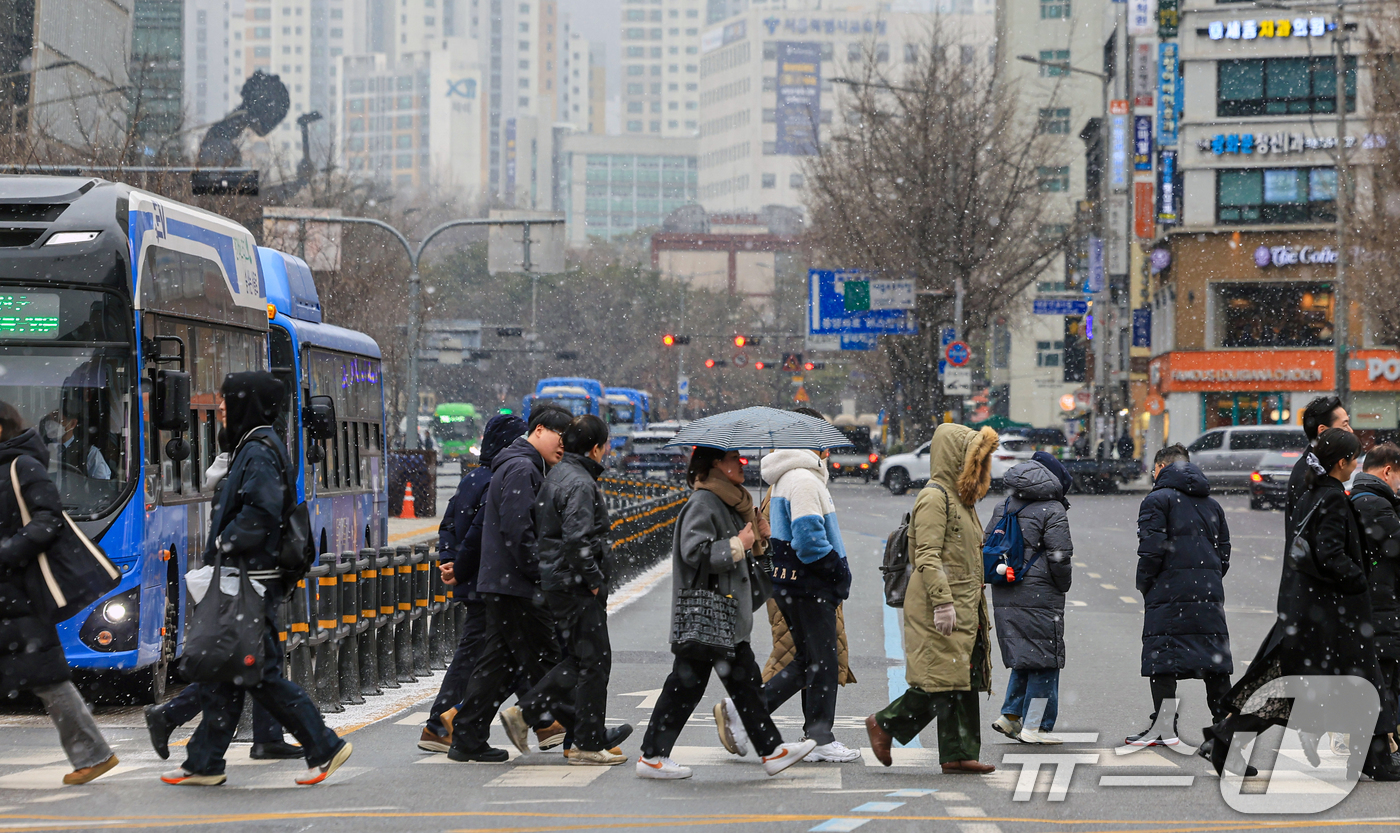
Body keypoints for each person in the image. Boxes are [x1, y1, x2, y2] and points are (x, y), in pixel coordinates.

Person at [162, 372, 352, 787]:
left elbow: (261, 512)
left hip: (251, 581)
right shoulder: (255, 445)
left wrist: (226, 543)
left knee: (258, 672)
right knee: (229, 673)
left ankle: (324, 745)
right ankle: (205, 761)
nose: (222, 408)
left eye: (229, 400)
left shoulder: (259, 450)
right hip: (248, 579)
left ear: (248, 404)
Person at [1203, 428, 1397, 780]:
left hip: (1309, 609)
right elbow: (1330, 554)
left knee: (1294, 686)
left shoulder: (1313, 492)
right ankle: (1225, 738)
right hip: (1330, 614)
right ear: (1341, 462)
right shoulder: (1333, 498)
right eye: (1353, 459)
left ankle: (1225, 738)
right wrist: (1358, 580)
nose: (1356, 465)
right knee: (1325, 685)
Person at [637, 446, 817, 780]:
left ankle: (771, 751)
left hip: (726, 618)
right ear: (716, 464)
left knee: (742, 685)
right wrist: (739, 544)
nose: (741, 463)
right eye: (734, 457)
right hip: (708, 616)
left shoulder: (733, 503)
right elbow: (695, 553)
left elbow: (751, 573)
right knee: (687, 685)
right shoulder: (703, 503)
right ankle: (652, 755)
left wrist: (764, 543)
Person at [146, 403, 301, 761]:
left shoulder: (238, 467)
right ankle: (296, 740)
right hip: (243, 582)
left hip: (245, 580)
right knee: (250, 663)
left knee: (250, 662)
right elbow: (247, 524)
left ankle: (251, 739)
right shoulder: (246, 467)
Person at [866, 424, 1000, 774]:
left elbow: (965, 555)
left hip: (965, 605)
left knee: (964, 678)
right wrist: (942, 602)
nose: (980, 465)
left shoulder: (963, 500)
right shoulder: (934, 497)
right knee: (941, 681)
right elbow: (926, 556)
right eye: (976, 458)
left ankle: (959, 753)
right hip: (938, 605)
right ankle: (885, 723)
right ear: (957, 457)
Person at [501, 415, 633, 766]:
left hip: (557, 581)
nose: (606, 453)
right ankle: (584, 742)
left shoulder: (559, 474)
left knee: (581, 658)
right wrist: (592, 579)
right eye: (605, 446)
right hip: (574, 584)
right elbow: (577, 540)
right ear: (595, 448)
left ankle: (546, 722)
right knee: (594, 660)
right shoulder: (579, 482)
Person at [0, 400, 119, 786]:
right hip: (10, 593)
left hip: (19, 593)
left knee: (47, 678)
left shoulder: (23, 466)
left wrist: (8, 552)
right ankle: (93, 754)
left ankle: (94, 754)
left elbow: (47, 519)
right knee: (45, 678)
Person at [447, 405, 573, 763]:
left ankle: (466, 735)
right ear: (539, 429)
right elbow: (520, 531)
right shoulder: (522, 466)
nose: (562, 446)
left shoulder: (522, 463)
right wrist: (541, 574)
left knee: (498, 664)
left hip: (505, 582)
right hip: (517, 585)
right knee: (550, 659)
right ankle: (580, 733)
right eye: (559, 437)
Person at [721, 446, 856, 763]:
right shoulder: (804, 479)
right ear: (815, 447)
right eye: (824, 447)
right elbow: (808, 537)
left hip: (791, 583)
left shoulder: (783, 478)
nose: (828, 452)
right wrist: (838, 572)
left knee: (807, 661)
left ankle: (744, 712)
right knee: (822, 662)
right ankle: (820, 738)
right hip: (810, 585)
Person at [417, 414, 531, 753]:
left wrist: (450, 561)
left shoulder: (472, 478)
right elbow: (484, 534)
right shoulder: (502, 478)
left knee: (502, 652)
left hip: (474, 579)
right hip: (491, 581)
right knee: (494, 654)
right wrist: (462, 564)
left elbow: (449, 524)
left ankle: (541, 719)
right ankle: (443, 722)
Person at [1124, 444, 1233, 748]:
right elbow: (1224, 551)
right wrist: (1207, 578)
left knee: (1163, 657)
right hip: (1207, 592)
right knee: (1215, 661)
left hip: (1168, 590)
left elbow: (1151, 550)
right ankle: (1223, 729)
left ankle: (1163, 727)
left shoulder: (1156, 501)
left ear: (1160, 468)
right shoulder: (1212, 503)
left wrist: (1146, 583)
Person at [988, 451, 1073, 745]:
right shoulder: (1052, 509)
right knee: (1046, 658)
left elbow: (988, 543)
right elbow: (1059, 558)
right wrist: (1063, 585)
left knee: (1028, 653)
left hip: (1005, 586)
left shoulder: (1004, 505)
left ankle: (1011, 716)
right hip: (1039, 591)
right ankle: (1035, 726)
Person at [1348, 442, 1400, 764]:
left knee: (1381, 678)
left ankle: (1376, 751)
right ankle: (1379, 753)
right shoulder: (1374, 505)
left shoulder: (1365, 500)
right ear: (1387, 470)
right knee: (1384, 678)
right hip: (1380, 606)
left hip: (1376, 604)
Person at [1286, 396, 1351, 553]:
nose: (1350, 431)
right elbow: (1318, 546)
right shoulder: (1308, 473)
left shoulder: (1323, 467)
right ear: (1323, 430)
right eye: (1345, 425)